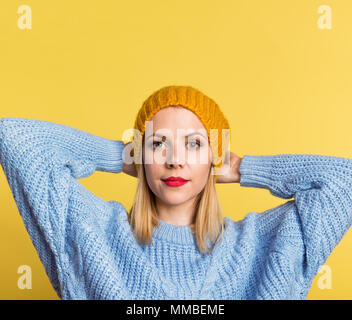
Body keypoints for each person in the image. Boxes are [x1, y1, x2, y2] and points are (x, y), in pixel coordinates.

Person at [0, 85, 352, 300]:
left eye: (195, 144)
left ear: (215, 156)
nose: (175, 160)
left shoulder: (263, 244)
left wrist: (243, 167)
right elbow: (16, 140)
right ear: (141, 153)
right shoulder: (94, 233)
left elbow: (344, 182)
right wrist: (120, 155)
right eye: (158, 144)